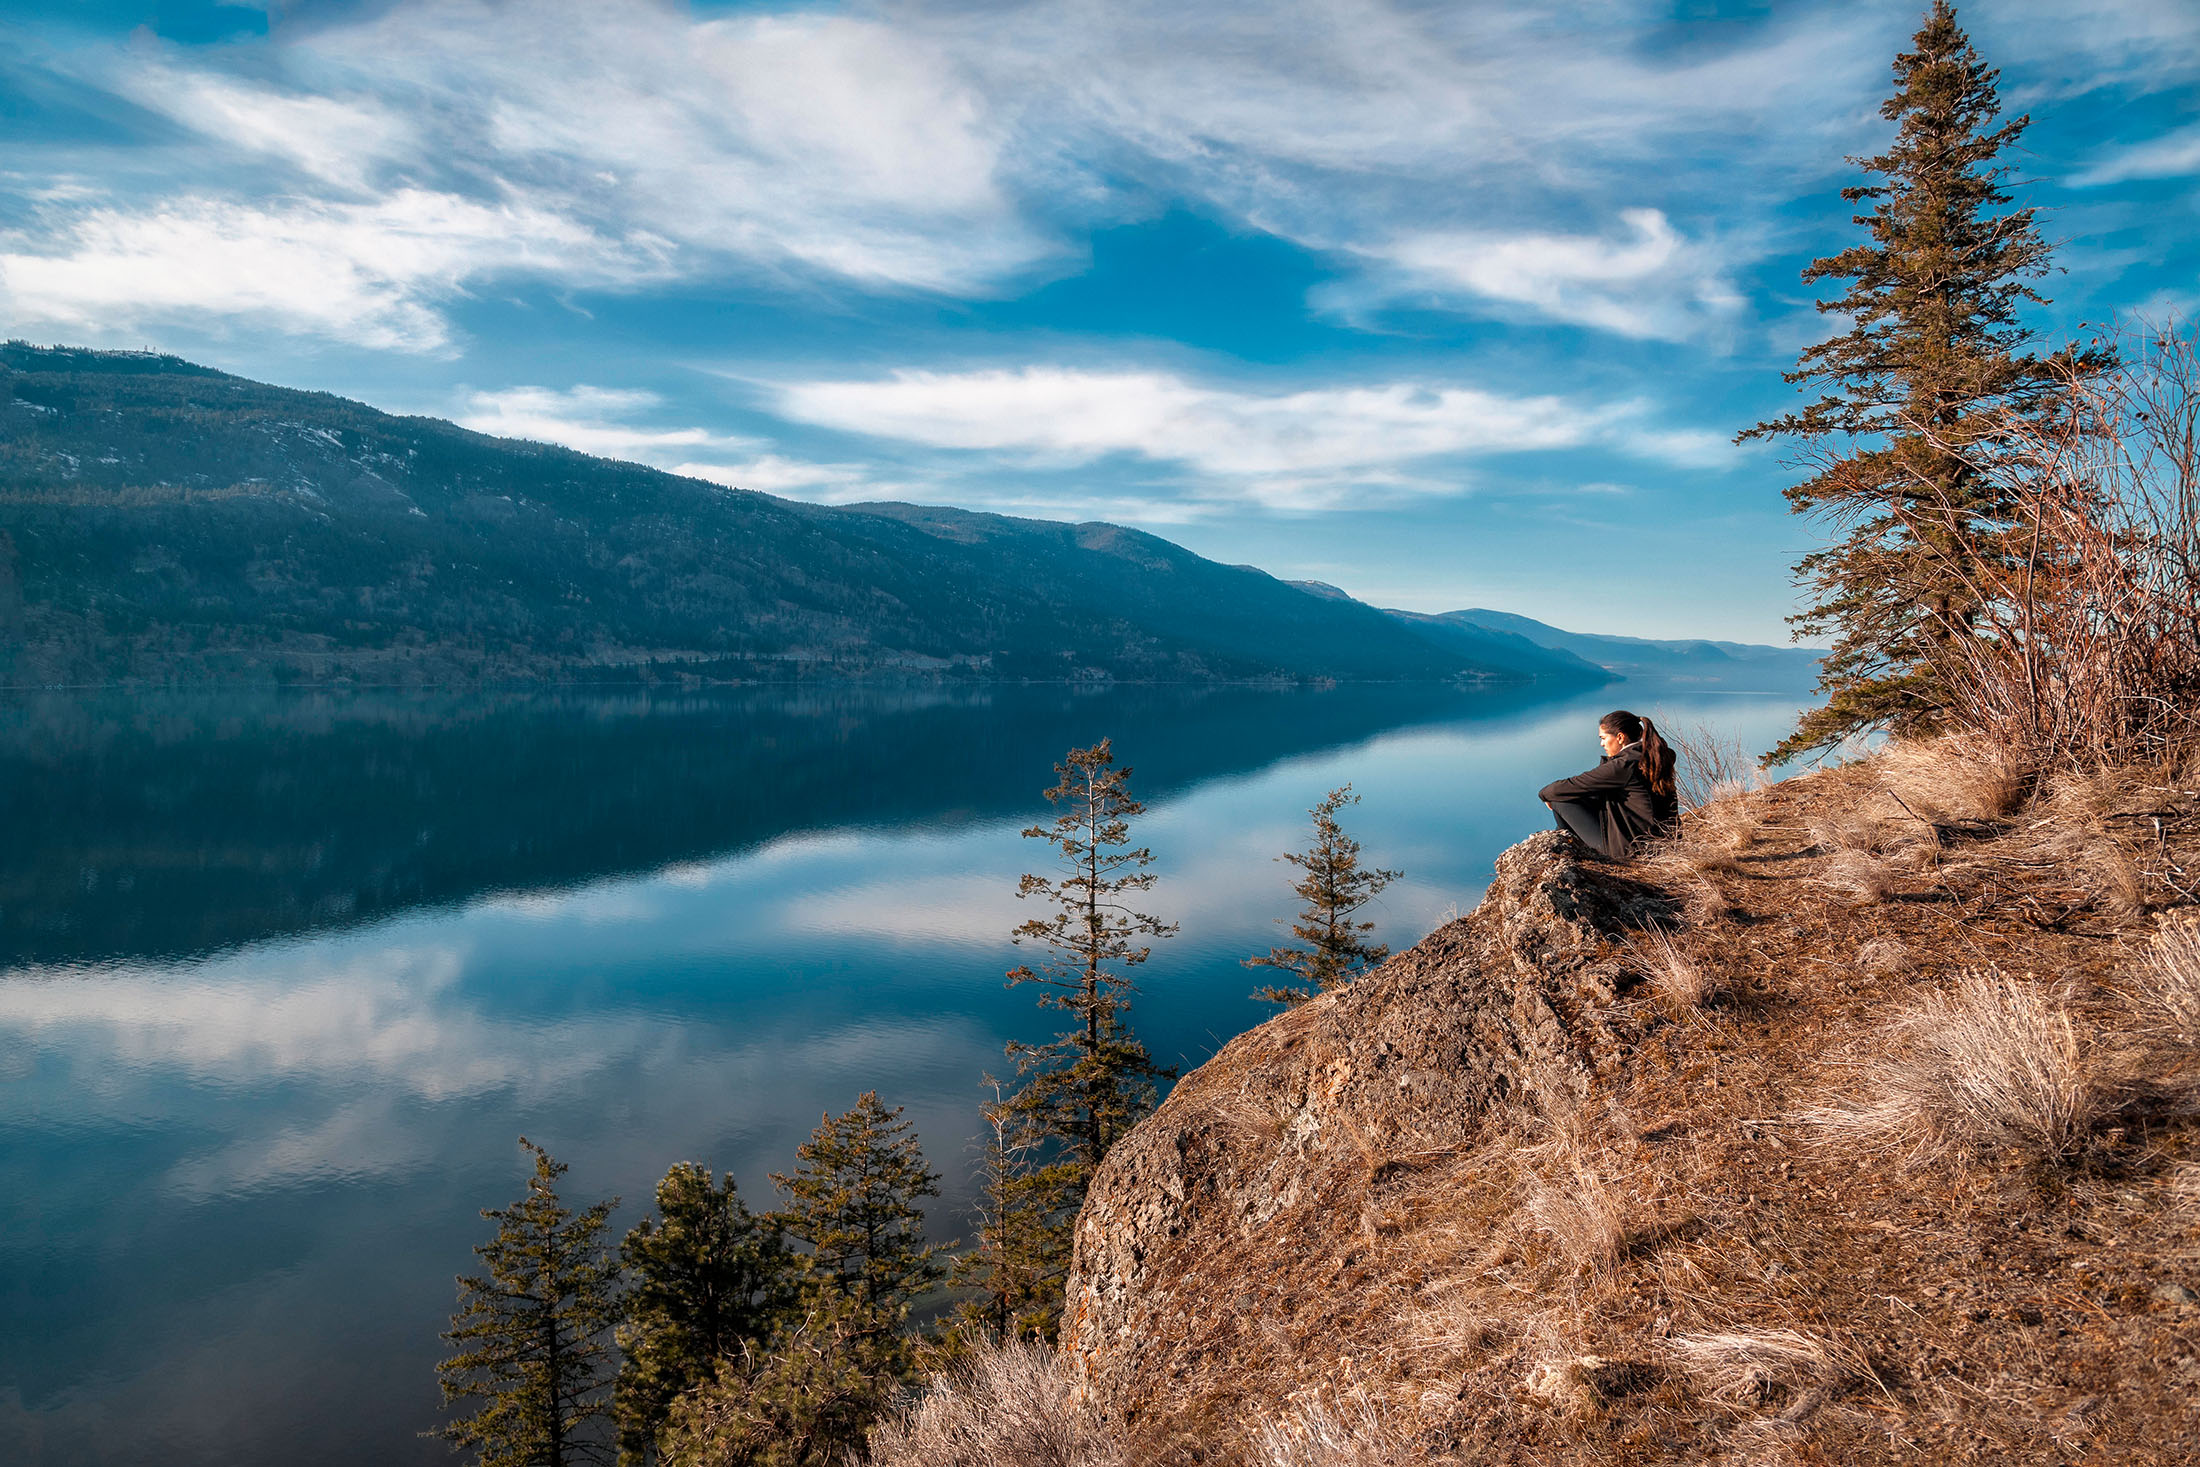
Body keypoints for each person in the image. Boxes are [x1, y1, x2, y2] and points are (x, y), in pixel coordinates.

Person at [1538, 710, 1679, 860]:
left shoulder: (1624, 765)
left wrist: (1544, 794)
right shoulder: (1655, 755)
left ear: (1620, 737)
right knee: (1584, 796)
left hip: (1632, 851)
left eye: (1604, 738)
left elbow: (1569, 786)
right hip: (1663, 843)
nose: (1602, 744)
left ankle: (1567, 854)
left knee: (1559, 800)